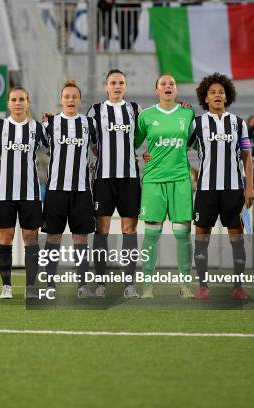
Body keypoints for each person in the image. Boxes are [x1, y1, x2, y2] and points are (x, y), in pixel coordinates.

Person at [188, 73, 254, 300]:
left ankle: (238, 286)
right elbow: (178, 150)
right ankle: (203, 285)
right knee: (201, 236)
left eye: (221, 92)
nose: (217, 95)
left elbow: (247, 157)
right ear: (205, 98)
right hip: (206, 189)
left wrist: (249, 187)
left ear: (227, 97)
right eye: (213, 92)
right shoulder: (196, 123)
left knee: (236, 235)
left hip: (234, 188)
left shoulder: (238, 123)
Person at [134, 74, 196, 299]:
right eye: (163, 84)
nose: (168, 86)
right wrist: (143, 155)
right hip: (153, 181)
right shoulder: (146, 116)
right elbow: (132, 143)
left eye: (172, 83)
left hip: (180, 180)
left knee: (182, 235)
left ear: (177, 90)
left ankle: (185, 285)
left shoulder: (188, 114)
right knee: (151, 235)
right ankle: (148, 285)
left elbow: (198, 143)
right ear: (156, 89)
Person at [0, 87, 48, 299]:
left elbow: (52, 147)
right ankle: (7, 286)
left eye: (22, 99)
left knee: (30, 239)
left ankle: (30, 286)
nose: (18, 103)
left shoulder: (37, 128)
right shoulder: (0, 125)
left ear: (27, 103)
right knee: (5, 238)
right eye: (14, 99)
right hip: (4, 193)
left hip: (30, 193)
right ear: (9, 104)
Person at [86, 69, 142, 299]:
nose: (117, 86)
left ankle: (129, 284)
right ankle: (101, 283)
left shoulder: (135, 110)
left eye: (121, 83)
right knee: (102, 229)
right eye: (113, 82)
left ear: (125, 86)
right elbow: (87, 138)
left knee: (129, 229)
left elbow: (147, 135)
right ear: (105, 85)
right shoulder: (96, 110)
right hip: (103, 178)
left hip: (129, 178)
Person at [41, 80, 98, 299]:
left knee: (80, 239)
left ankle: (82, 286)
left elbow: (96, 147)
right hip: (56, 190)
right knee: (53, 238)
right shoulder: (50, 123)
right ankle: (50, 286)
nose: (71, 100)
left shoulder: (88, 124)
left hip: (81, 191)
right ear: (61, 99)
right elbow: (41, 149)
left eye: (74, 97)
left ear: (80, 100)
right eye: (67, 96)